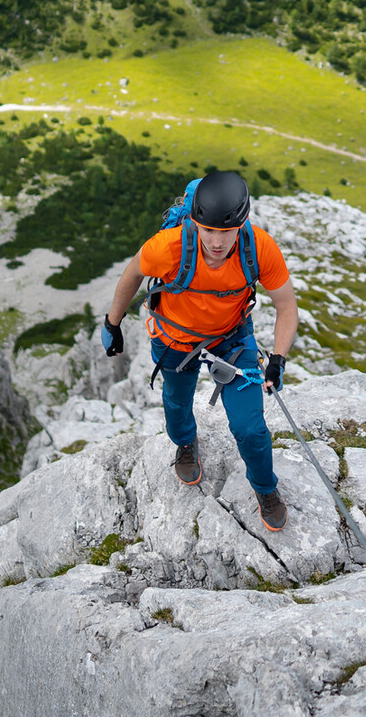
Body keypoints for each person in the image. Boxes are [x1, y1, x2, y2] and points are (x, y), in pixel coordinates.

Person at [102, 170, 299, 532]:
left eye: (226, 232)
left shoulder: (259, 248)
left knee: (250, 427)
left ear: (242, 223)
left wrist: (278, 359)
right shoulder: (170, 247)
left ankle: (266, 489)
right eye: (209, 231)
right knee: (176, 405)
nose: (218, 242)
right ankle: (185, 444)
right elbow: (131, 275)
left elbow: (287, 306)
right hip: (175, 339)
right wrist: (112, 325)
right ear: (195, 221)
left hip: (233, 338)